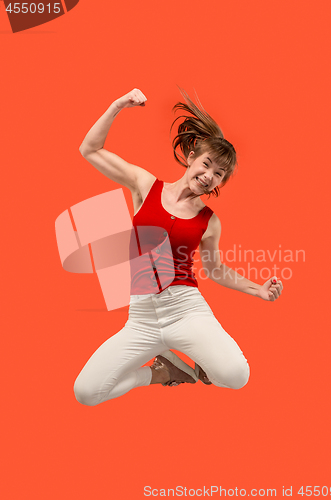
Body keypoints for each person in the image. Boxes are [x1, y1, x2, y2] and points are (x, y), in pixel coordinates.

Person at [73, 87, 283, 406]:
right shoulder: (146, 186)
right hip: (141, 316)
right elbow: (90, 149)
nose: (209, 175)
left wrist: (258, 290)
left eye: (219, 174)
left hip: (185, 311)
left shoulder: (209, 221)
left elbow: (215, 270)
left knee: (236, 375)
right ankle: (161, 372)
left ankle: (174, 366)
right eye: (207, 164)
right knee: (87, 393)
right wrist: (119, 104)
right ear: (191, 157)